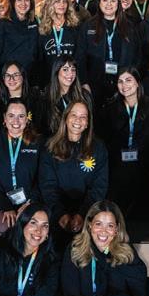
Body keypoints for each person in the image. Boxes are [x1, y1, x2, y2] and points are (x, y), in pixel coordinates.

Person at [58, 201, 147, 296]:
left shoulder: (127, 255)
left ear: (117, 229)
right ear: (89, 225)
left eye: (110, 226)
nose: (103, 231)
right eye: (98, 224)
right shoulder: (75, 249)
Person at [39, 101, 108, 248]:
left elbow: (99, 186)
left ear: (88, 123)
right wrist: (60, 214)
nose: (78, 120)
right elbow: (48, 186)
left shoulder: (98, 147)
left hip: (88, 210)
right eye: (74, 115)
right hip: (57, 210)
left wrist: (83, 214)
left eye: (83, 117)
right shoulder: (50, 147)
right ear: (65, 118)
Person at [0, 98, 43, 250]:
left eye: (21, 116)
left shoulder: (38, 142)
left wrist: (29, 203)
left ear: (27, 119)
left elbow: (43, 178)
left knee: (30, 230)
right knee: (2, 230)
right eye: (11, 115)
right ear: (4, 118)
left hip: (31, 202)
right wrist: (6, 206)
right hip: (1, 204)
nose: (16, 121)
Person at [98, 68, 149, 222]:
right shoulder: (110, 108)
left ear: (137, 83)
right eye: (120, 81)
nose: (124, 85)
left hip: (142, 163)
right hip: (117, 164)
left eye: (128, 80)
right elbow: (107, 138)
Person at [76, 0, 139, 105]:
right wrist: (84, 83)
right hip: (94, 86)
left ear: (118, 3)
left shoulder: (130, 26)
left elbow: (137, 56)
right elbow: (80, 57)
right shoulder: (88, 26)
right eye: (105, 0)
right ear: (99, 2)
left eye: (113, 0)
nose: (109, 4)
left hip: (123, 86)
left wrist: (132, 81)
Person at [0, 0, 39, 85]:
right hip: (8, 81)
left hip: (29, 81)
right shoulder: (3, 24)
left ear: (31, 2)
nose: (23, 3)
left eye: (27, 0)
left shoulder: (34, 22)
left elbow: (37, 54)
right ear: (13, 1)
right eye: (19, 0)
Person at [38, 0, 80, 85]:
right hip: (49, 82)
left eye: (64, 1)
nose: (62, 5)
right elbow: (40, 60)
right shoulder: (42, 29)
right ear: (50, 3)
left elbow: (79, 58)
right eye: (57, 1)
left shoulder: (75, 27)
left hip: (71, 80)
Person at [43, 55, 92, 136]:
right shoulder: (45, 97)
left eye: (73, 70)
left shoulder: (85, 96)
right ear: (56, 72)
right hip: (54, 141)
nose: (70, 74)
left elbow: (90, 125)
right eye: (65, 69)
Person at [0, 61, 42, 132]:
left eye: (16, 75)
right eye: (7, 75)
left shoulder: (35, 99)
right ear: (3, 78)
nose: (11, 79)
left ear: (23, 76)